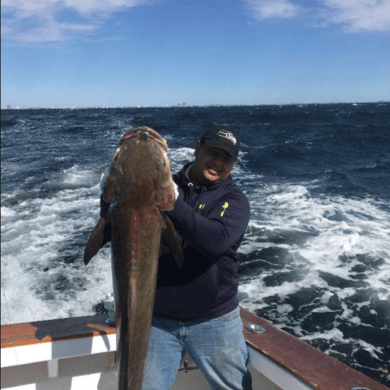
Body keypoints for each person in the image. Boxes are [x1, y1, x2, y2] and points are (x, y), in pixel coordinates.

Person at [101, 125, 252, 390]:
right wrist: (110, 191)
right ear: (197, 148)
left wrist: (170, 200)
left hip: (215, 320)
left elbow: (215, 241)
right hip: (156, 321)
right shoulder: (159, 182)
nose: (217, 162)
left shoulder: (234, 200)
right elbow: (115, 220)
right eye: (212, 152)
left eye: (226, 158)